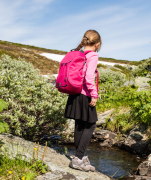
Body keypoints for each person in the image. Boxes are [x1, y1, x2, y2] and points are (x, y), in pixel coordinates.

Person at [65, 30, 101, 171]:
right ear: (97, 44)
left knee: (79, 125)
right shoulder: (93, 56)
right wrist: (94, 94)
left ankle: (81, 157)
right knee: (91, 125)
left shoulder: (78, 54)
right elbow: (88, 77)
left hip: (74, 94)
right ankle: (79, 158)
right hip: (85, 94)